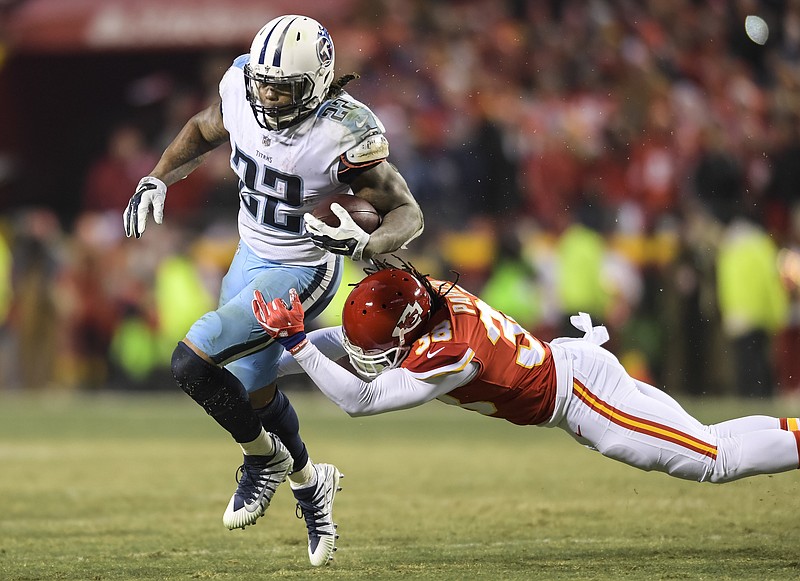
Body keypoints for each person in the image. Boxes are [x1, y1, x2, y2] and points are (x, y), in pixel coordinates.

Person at [121, 15, 424, 567]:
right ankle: (311, 484)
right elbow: (202, 128)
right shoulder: (241, 88)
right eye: (262, 83)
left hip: (303, 268)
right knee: (251, 390)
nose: (267, 97)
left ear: (316, 84)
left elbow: (407, 211)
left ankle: (263, 457)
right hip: (248, 254)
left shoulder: (344, 131)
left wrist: (364, 242)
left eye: (282, 89)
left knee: (192, 364)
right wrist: (156, 177)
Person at [254, 259, 800, 505]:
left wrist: (297, 343)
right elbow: (355, 345)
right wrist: (261, 362)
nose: (368, 355)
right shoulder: (426, 296)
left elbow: (361, 399)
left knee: (713, 459)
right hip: (575, 372)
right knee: (710, 441)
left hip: (583, 398)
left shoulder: (454, 353)